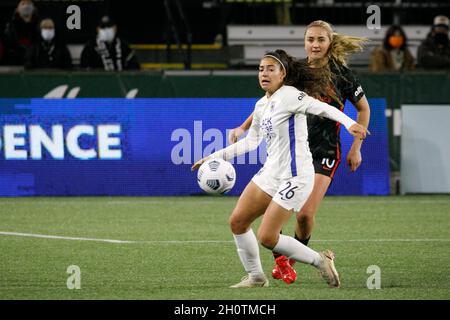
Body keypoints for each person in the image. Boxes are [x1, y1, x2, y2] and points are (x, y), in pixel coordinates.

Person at [192, 50, 368, 288]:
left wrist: (350, 124)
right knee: (238, 222)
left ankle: (320, 260)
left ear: (283, 74)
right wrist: (212, 157)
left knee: (267, 237)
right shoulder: (262, 104)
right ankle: (256, 276)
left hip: (295, 176)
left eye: (270, 69)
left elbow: (323, 109)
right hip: (270, 173)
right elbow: (251, 142)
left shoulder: (290, 95)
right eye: (261, 69)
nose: (264, 73)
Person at [3, 0, 40, 66]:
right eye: (23, 4)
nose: (26, 6)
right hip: (13, 65)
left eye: (28, 3)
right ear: (17, 9)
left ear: (34, 8)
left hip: (35, 66)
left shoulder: (39, 26)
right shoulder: (10, 28)